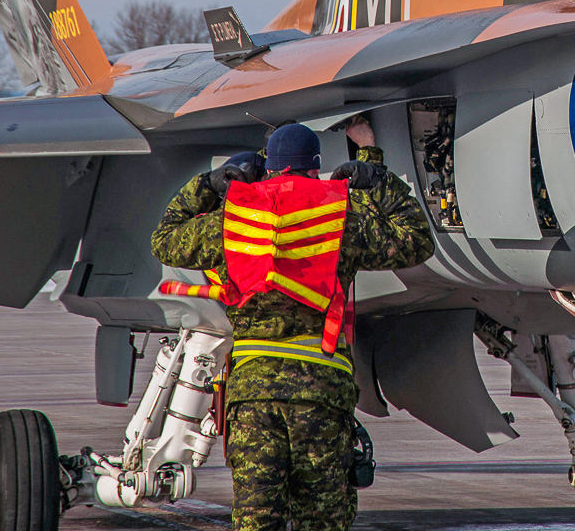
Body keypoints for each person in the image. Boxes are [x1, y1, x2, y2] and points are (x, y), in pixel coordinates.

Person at [151, 122, 434, 531]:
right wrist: (375, 173)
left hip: (253, 397)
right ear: (316, 169)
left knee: (257, 518)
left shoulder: (235, 220)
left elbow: (165, 238)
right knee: (320, 519)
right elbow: (415, 240)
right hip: (320, 395)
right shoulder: (341, 218)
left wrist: (212, 185)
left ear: (269, 169)